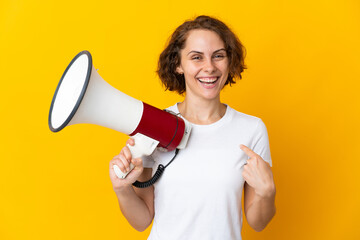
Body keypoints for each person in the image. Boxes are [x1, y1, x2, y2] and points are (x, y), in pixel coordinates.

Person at [109, 15, 276, 239]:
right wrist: (122, 190)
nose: (209, 67)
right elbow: (142, 221)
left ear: (229, 61)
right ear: (178, 65)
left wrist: (267, 193)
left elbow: (258, 223)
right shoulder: (154, 124)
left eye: (218, 56)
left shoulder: (251, 129)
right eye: (197, 57)